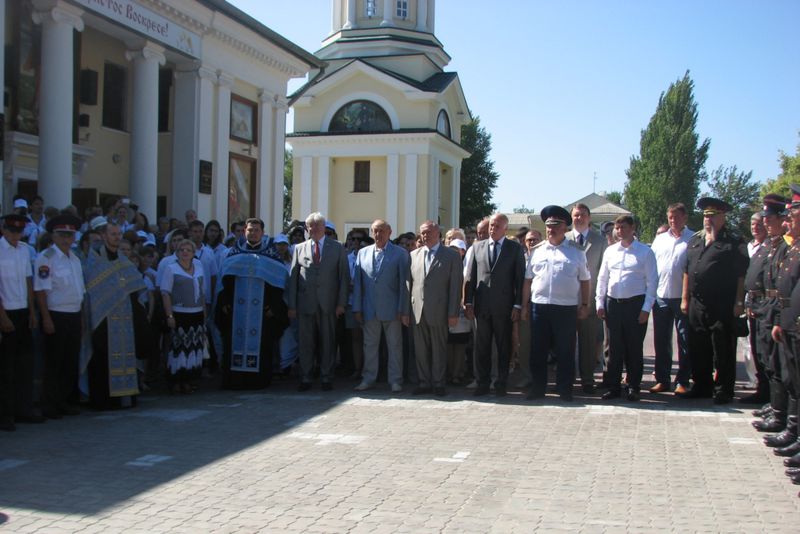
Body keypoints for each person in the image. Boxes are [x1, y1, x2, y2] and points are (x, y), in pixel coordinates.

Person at [680, 197, 749, 404]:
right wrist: (685, 298)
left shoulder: (734, 242)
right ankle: (702, 385)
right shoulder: (695, 240)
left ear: (722, 217)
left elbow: (741, 275)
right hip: (697, 303)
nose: (708, 220)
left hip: (722, 303)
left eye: (712, 216)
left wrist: (738, 303)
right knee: (697, 346)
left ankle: (723, 390)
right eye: (705, 216)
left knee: (722, 349)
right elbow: (687, 271)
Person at [521, 206, 591, 401]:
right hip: (539, 306)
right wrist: (524, 306)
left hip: (565, 308)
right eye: (548, 226)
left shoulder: (577, 252)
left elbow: (585, 281)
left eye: (555, 225)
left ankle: (564, 389)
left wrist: (584, 305)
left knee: (565, 350)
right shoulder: (536, 251)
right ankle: (537, 388)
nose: (550, 229)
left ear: (564, 227)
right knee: (538, 350)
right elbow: (528, 281)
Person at [82, 222, 149, 410]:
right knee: (102, 359)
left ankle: (125, 398)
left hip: (126, 318)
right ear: (104, 236)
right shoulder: (94, 262)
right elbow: (92, 293)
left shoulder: (125, 262)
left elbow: (135, 290)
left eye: (119, 234)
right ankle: (102, 400)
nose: (117, 237)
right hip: (103, 319)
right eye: (113, 234)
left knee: (127, 356)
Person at [215, 218, 289, 389]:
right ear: (244, 232)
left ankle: (258, 381)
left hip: (262, 311)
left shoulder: (272, 256)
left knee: (263, 345)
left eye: (256, 230)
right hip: (236, 310)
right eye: (250, 230)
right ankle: (234, 381)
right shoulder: (233, 254)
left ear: (262, 233)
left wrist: (274, 307)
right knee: (233, 343)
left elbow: (278, 284)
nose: (253, 233)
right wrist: (225, 302)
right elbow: (224, 281)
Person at [596, 215, 658, 401]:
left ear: (632, 229)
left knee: (633, 348)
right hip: (613, 303)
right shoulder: (610, 251)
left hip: (635, 304)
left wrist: (646, 308)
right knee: (614, 348)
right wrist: (599, 302)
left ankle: (633, 386)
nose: (619, 231)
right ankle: (614, 386)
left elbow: (652, 281)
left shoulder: (645, 252)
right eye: (617, 227)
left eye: (623, 227)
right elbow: (602, 278)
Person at [464, 213, 526, 397]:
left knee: (503, 347)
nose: (493, 228)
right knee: (481, 347)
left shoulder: (514, 248)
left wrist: (517, 305)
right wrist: (468, 301)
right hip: (482, 307)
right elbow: (470, 277)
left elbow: (519, 279)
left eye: (497, 226)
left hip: (504, 307)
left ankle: (501, 382)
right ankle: (482, 383)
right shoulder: (477, 247)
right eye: (491, 225)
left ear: (505, 229)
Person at [288, 213, 349, 391]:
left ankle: (326, 376)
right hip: (306, 304)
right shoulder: (299, 248)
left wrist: (341, 304)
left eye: (318, 226)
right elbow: (293, 279)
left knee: (328, 341)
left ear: (324, 228)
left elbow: (343, 278)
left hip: (329, 304)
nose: (314, 229)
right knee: (306, 342)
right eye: (310, 226)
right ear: (307, 229)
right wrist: (292, 305)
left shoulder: (337, 248)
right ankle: (306, 376)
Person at [34, 214, 85, 419]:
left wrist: (80, 319)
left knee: (69, 361)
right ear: (53, 235)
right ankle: (50, 403)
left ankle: (63, 401)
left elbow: (79, 291)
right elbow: (40, 291)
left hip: (73, 314)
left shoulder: (75, 259)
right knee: (54, 361)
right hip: (56, 314)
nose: (66, 239)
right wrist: (46, 318)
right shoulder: (46, 258)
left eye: (70, 235)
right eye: (62, 235)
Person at [352, 219, 410, 393]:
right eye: (375, 231)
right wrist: (357, 307)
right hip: (369, 308)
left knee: (394, 346)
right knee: (369, 346)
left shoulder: (400, 254)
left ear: (389, 232)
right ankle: (368, 378)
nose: (378, 234)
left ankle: (395, 380)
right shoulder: (362, 253)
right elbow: (358, 284)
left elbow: (404, 284)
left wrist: (402, 309)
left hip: (393, 309)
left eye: (382, 231)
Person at [409, 220, 463, 396]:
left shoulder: (451, 256)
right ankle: (424, 382)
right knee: (420, 349)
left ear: (438, 234)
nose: (425, 236)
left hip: (440, 311)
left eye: (429, 232)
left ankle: (439, 383)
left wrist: (453, 313)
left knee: (439, 349)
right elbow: (409, 285)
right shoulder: (413, 255)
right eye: (423, 233)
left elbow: (455, 287)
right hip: (418, 311)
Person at [0, 214, 41, 431]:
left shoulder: (25, 250)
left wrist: (32, 310)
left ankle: (23, 409)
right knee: (6, 368)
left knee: (25, 364)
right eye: (12, 231)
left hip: (23, 311)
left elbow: (27, 280)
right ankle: (5, 414)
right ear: (4, 230)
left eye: (19, 232)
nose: (16, 235)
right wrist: (3, 316)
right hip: (5, 312)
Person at [649, 203, 694, 395]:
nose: (673, 221)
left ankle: (683, 380)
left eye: (676, 217)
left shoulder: (693, 238)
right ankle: (662, 379)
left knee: (685, 340)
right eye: (670, 218)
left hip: (683, 297)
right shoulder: (660, 240)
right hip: (661, 297)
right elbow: (651, 267)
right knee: (661, 340)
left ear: (685, 218)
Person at [566, 203, 607, 393]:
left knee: (589, 343)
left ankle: (587, 379)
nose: (579, 218)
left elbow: (603, 273)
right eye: (575, 215)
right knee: (566, 342)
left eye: (582, 215)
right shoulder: (563, 238)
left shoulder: (600, 241)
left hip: (589, 300)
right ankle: (566, 378)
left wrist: (599, 300)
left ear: (589, 218)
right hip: (565, 300)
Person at [160, 239, 205, 394]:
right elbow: (165, 293)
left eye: (188, 250)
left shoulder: (199, 267)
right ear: (177, 252)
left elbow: (202, 292)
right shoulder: (171, 269)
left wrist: (204, 312)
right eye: (181, 250)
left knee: (194, 349)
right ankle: (175, 381)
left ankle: (189, 380)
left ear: (193, 253)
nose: (185, 252)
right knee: (178, 349)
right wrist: (169, 315)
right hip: (179, 314)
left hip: (197, 313)